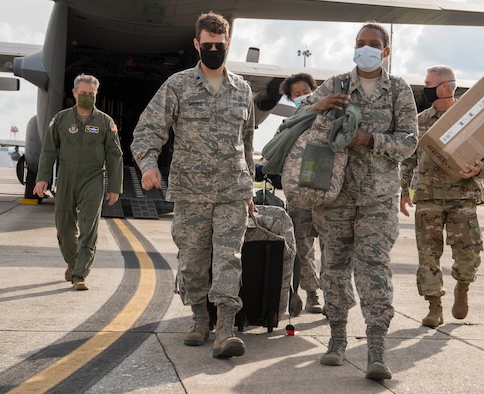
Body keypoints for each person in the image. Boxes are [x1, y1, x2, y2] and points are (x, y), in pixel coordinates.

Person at [130, 12, 255, 359]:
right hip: (191, 192)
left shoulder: (243, 90)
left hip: (232, 192)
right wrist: (149, 165)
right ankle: (199, 319)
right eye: (208, 45)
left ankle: (225, 328)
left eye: (220, 45)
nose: (214, 50)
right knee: (193, 261)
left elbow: (246, 143)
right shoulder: (178, 85)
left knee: (229, 259)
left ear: (228, 44)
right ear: (197, 45)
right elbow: (147, 130)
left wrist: (247, 191)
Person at [299, 22, 418, 380]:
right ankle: (336, 338)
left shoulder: (398, 90)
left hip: (378, 197)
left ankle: (376, 348)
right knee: (333, 266)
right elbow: (298, 116)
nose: (365, 48)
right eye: (359, 43)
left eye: (373, 44)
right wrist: (316, 104)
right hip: (333, 195)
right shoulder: (335, 84)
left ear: (385, 51)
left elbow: (410, 141)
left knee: (374, 267)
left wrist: (369, 139)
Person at [400, 65, 484, 329]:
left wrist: (481, 168)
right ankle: (434, 307)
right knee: (428, 255)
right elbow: (408, 159)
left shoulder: (470, 118)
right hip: (428, 196)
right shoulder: (419, 122)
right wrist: (402, 191)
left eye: (428, 83)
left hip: (462, 195)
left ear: (444, 86)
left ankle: (462, 287)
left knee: (469, 254)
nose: (425, 87)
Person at [33, 73, 123, 291]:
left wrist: (114, 187)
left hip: (93, 178)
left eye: (91, 94)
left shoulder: (105, 122)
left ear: (96, 95)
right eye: (83, 94)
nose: (87, 97)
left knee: (88, 227)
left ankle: (80, 275)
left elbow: (114, 155)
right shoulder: (61, 120)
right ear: (74, 93)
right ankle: (73, 263)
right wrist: (42, 178)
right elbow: (48, 150)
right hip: (65, 177)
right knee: (64, 227)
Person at [279, 73, 323, 315]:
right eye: (296, 95)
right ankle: (312, 294)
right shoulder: (289, 125)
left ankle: (335, 296)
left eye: (305, 91)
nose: (302, 97)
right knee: (303, 247)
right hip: (299, 196)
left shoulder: (328, 115)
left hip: (329, 193)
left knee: (334, 249)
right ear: (290, 99)